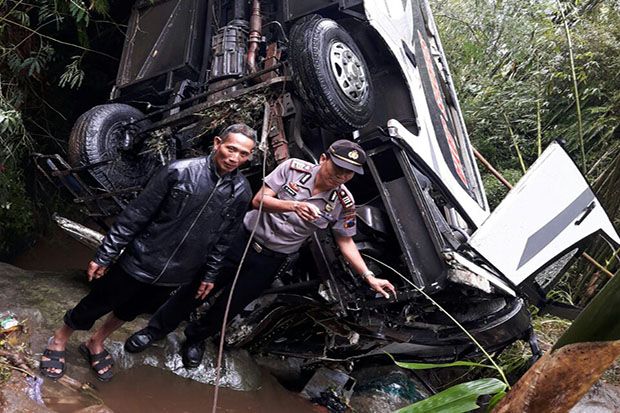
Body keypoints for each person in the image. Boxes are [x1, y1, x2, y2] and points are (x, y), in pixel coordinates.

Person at [124, 139, 396, 368]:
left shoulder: (344, 203)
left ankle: (195, 338)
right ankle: (154, 330)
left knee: (230, 305)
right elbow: (258, 201)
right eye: (338, 167)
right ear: (324, 158)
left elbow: (345, 241)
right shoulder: (292, 168)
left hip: (272, 259)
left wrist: (369, 276)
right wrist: (293, 206)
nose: (341, 176)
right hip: (241, 240)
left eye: (348, 173)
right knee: (198, 288)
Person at [39, 123, 257, 381]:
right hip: (140, 258)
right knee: (98, 302)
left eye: (243, 154)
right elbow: (136, 214)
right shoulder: (179, 172)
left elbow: (224, 240)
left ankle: (96, 341)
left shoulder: (241, 192)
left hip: (178, 272)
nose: (234, 158)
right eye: (231, 149)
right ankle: (59, 339)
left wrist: (209, 275)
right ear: (217, 143)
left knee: (130, 311)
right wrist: (105, 254)